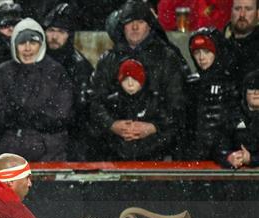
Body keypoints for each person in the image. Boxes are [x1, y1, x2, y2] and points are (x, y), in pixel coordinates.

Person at [90, 0, 187, 160]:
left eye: (140, 22)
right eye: (129, 22)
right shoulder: (108, 60)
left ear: (149, 25)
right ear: (122, 26)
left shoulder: (168, 58)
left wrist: (153, 127)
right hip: (114, 153)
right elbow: (94, 100)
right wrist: (112, 125)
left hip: (158, 151)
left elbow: (178, 104)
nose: (135, 27)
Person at [0, 17, 73, 161]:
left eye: (33, 42)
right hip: (11, 150)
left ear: (41, 45)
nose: (27, 48)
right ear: (14, 45)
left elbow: (61, 114)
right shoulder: (3, 72)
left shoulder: (56, 71)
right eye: (22, 42)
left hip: (50, 151)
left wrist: (28, 116)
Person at [90, 59, 175, 160]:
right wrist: (111, 126)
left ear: (142, 80)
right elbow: (97, 130)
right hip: (116, 161)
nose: (130, 84)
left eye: (135, 79)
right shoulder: (110, 103)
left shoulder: (154, 101)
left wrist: (153, 128)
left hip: (150, 160)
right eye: (125, 80)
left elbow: (169, 128)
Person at [43, 2, 94, 161]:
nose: (55, 36)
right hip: (38, 133)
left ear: (69, 35)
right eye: (51, 30)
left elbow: (82, 110)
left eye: (61, 32)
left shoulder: (80, 66)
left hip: (70, 135)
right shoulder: (35, 60)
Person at [184, 28, 241, 160]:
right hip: (193, 157)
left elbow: (234, 124)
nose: (201, 57)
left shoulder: (231, 83)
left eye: (206, 51)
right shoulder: (191, 83)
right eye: (197, 52)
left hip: (224, 158)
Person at [218, 69, 259, 168]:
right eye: (251, 88)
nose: (256, 92)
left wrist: (251, 159)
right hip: (237, 176)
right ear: (245, 92)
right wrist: (229, 157)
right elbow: (219, 146)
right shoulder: (233, 116)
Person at [224, 0, 259, 84]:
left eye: (248, 9)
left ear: (257, 13)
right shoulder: (218, 45)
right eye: (237, 8)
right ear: (231, 11)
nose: (242, 14)